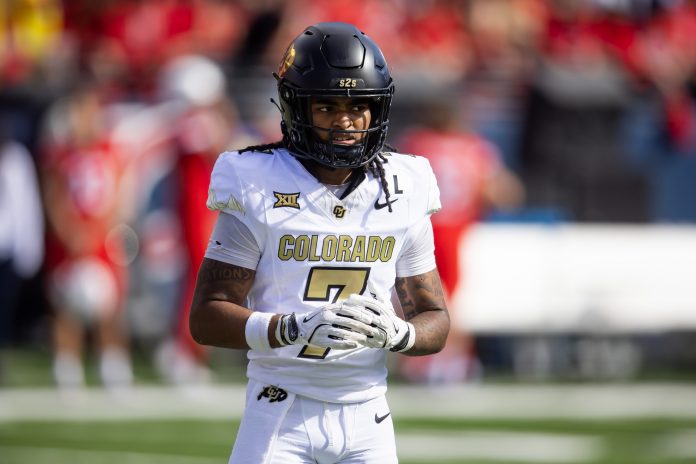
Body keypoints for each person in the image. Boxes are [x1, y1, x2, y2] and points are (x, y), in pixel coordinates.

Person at [189, 22, 450, 463]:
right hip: (281, 409)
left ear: (378, 110)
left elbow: (435, 317)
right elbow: (207, 316)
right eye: (326, 106)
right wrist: (287, 328)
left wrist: (400, 333)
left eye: (358, 106)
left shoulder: (403, 187)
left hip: (370, 416)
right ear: (297, 109)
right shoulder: (258, 183)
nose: (345, 121)